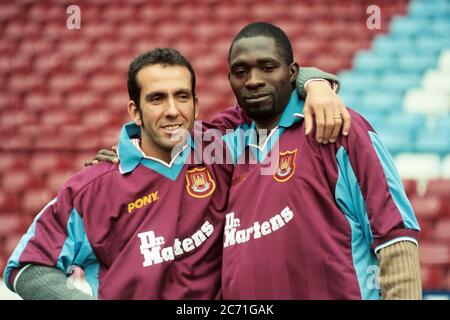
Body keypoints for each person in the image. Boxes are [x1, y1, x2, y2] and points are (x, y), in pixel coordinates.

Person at [3, 47, 346, 299]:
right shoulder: (91, 188)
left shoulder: (222, 148)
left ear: (196, 104)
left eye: (181, 96)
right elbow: (26, 268)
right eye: (156, 99)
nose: (172, 111)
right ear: (135, 111)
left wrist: (315, 82)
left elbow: (271, 87)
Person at [220, 22, 422, 300]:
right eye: (241, 72)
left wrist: (315, 83)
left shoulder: (340, 129)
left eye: (267, 67)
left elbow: (395, 237)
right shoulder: (224, 149)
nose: (253, 80)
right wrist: (314, 82)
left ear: (292, 73)